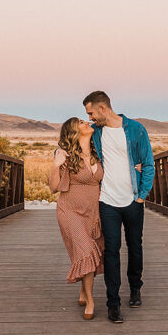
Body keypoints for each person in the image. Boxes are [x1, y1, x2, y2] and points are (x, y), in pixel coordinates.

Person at [83, 91, 155, 323]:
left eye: (91, 113)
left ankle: (135, 288)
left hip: (133, 200)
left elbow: (149, 164)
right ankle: (113, 303)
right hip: (107, 201)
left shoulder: (136, 129)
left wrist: (142, 197)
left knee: (135, 247)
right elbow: (73, 145)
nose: (91, 118)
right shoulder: (96, 133)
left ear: (103, 108)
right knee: (111, 251)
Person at [47, 117, 104, 320]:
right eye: (81, 122)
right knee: (86, 251)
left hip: (94, 212)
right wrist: (56, 165)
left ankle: (83, 289)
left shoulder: (99, 152)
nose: (87, 122)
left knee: (92, 251)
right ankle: (90, 300)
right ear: (74, 131)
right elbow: (53, 187)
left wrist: (134, 171)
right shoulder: (66, 155)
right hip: (70, 211)